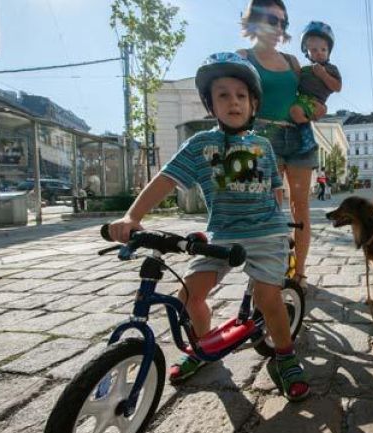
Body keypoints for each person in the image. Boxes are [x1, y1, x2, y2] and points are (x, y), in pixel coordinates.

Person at [107, 52, 310, 401]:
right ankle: (202, 348)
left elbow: (277, 184)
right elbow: (165, 180)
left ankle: (284, 355)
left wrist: (280, 209)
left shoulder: (262, 145)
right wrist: (132, 216)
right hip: (223, 234)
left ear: (253, 103)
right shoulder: (200, 145)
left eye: (241, 95)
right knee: (188, 296)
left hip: (266, 232)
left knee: (266, 296)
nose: (233, 101)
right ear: (210, 103)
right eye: (223, 95)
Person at [237, 0, 314, 290]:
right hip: (261, 137)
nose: (278, 27)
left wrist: (312, 107)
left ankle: (300, 272)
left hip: (299, 137)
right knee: (268, 206)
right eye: (272, 19)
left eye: (283, 22)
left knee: (301, 207)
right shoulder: (243, 57)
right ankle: (271, 270)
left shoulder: (293, 63)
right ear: (255, 19)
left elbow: (312, 98)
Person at [289, 21, 342, 151]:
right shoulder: (304, 69)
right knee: (293, 110)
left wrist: (323, 74)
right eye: (314, 50)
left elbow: (337, 87)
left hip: (315, 101)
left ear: (329, 51)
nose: (319, 53)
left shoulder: (331, 69)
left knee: (295, 111)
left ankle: (308, 139)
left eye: (323, 49)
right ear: (306, 52)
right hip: (301, 99)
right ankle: (300, 134)